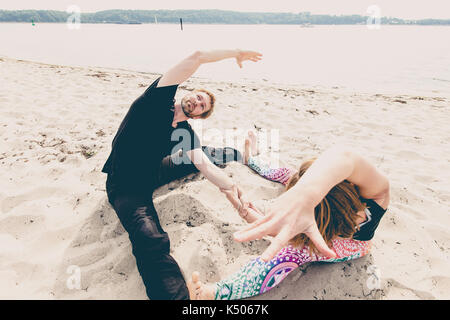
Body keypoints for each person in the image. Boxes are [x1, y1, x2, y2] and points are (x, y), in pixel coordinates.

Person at [101, 49, 262, 300]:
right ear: (189, 93)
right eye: (198, 97)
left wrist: (230, 187)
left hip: (153, 171)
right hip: (125, 186)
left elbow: (205, 167)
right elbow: (196, 57)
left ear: (199, 115)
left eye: (202, 106)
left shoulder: (185, 132)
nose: (197, 103)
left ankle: (242, 155)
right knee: (149, 238)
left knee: (202, 155)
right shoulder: (156, 98)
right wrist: (235, 53)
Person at [187, 131, 390, 299]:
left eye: (351, 212)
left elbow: (345, 156)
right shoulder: (322, 214)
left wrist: (300, 197)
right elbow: (293, 233)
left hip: (355, 246)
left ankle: (215, 293)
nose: (358, 219)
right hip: (317, 216)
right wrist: (251, 214)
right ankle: (253, 159)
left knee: (291, 253)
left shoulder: (376, 196)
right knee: (289, 174)